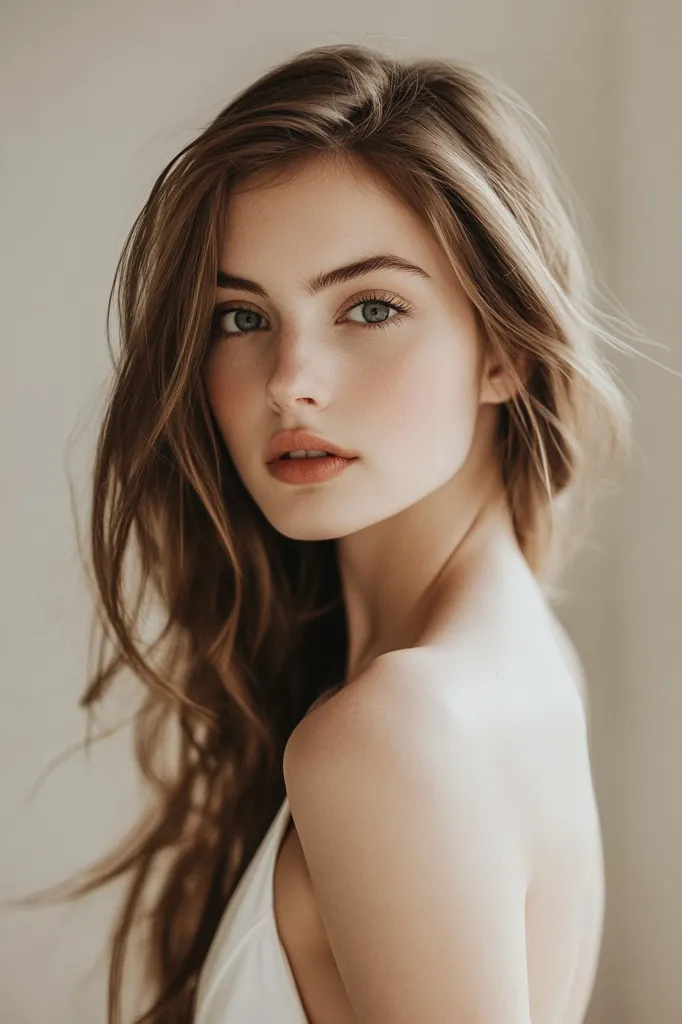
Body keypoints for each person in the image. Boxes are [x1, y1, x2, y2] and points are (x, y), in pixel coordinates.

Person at [60, 42, 634, 1023]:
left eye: (370, 306)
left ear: (503, 348)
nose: (289, 380)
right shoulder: (503, 663)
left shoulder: (395, 729)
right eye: (241, 317)